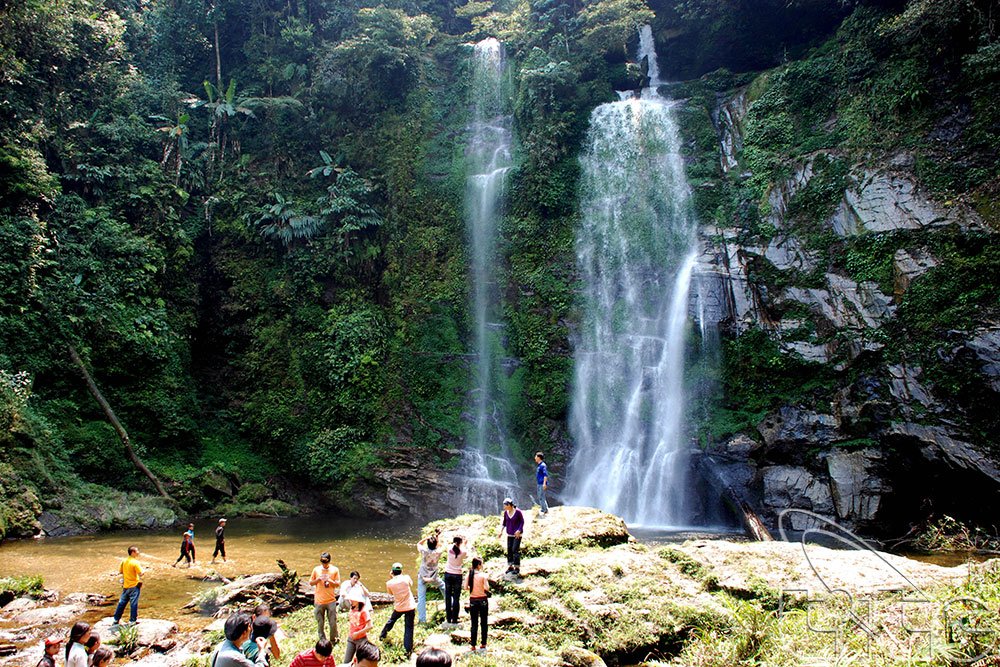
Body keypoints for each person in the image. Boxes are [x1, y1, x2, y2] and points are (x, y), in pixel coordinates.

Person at [378, 562, 415, 657]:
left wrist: (391, 578)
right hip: (410, 606)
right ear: (401, 571)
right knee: (409, 628)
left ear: (392, 572)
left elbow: (390, 594)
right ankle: (408, 650)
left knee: (392, 620)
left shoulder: (389, 583)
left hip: (399, 607)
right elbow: (411, 583)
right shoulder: (406, 578)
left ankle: (383, 635)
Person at [309, 552, 340, 643]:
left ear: (329, 561)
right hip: (319, 600)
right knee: (320, 622)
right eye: (322, 562)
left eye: (325, 562)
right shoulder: (316, 570)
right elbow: (311, 582)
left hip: (331, 600)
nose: (324, 564)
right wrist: (318, 580)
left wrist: (329, 580)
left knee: (333, 622)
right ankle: (322, 639)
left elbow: (337, 584)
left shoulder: (335, 570)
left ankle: (333, 639)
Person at [416, 530, 445, 624]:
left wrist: (426, 538)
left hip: (423, 576)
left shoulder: (424, 551)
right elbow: (441, 545)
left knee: (421, 597)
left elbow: (418, 544)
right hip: (433, 576)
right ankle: (451, 603)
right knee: (443, 587)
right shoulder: (438, 551)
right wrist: (437, 539)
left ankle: (422, 619)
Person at [112, 546, 142, 625]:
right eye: (137, 551)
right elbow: (141, 573)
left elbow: (121, 572)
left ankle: (116, 619)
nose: (138, 552)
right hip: (134, 585)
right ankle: (132, 620)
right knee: (133, 603)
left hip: (125, 586)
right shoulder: (135, 562)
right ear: (133, 552)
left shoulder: (124, 561)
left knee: (122, 603)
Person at [343, 587, 373, 664]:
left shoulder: (364, 610)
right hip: (351, 638)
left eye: (353, 600)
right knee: (346, 662)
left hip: (361, 640)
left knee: (360, 662)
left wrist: (358, 633)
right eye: (350, 599)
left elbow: (370, 626)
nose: (351, 601)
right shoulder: (352, 608)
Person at [465, 557, 489, 652]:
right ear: (479, 565)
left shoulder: (469, 574)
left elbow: (465, 587)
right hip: (483, 599)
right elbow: (487, 588)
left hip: (473, 600)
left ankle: (473, 645)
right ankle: (483, 644)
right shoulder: (483, 575)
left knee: (474, 623)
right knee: (484, 622)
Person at [442, 535, 467, 626]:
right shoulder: (463, 552)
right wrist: (464, 544)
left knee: (448, 596)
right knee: (456, 597)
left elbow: (450, 546)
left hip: (448, 574)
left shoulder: (449, 549)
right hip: (457, 575)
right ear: (460, 543)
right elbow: (464, 551)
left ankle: (448, 618)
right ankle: (455, 619)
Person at [497, 498, 524, 575]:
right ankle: (510, 566)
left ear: (509, 505)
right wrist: (501, 531)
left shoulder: (518, 512)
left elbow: (522, 522)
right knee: (509, 549)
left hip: (517, 534)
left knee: (515, 549)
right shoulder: (506, 513)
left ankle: (517, 567)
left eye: (505, 505)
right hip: (509, 534)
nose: (504, 507)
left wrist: (519, 530)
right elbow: (504, 522)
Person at [535, 452, 549, 516]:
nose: (535, 457)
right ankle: (544, 508)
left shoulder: (543, 465)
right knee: (540, 496)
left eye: (536, 456)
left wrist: (544, 484)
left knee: (541, 496)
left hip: (541, 483)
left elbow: (545, 475)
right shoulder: (539, 465)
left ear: (539, 457)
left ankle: (544, 510)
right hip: (539, 483)